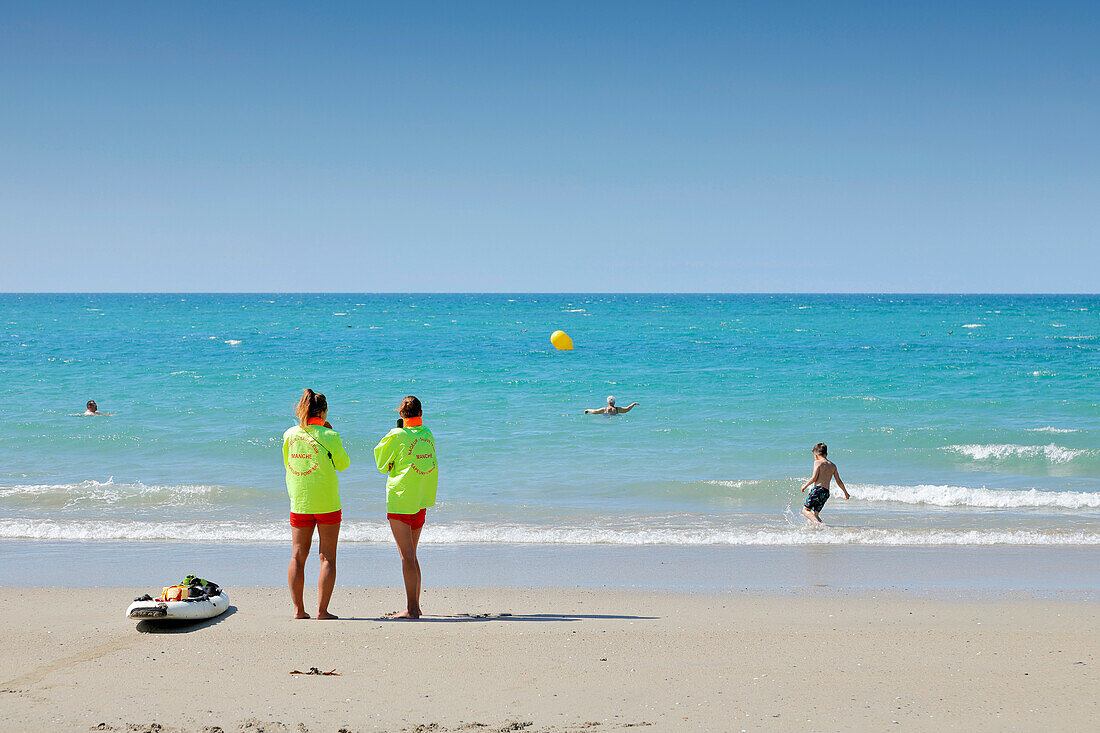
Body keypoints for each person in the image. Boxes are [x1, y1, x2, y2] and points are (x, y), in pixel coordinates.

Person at [282, 388, 350, 619]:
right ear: (324, 412)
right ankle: (322, 611)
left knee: (297, 556)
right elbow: (343, 464)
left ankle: (299, 610)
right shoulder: (331, 436)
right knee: (328, 557)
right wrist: (328, 434)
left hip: (300, 501)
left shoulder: (290, 434)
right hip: (327, 502)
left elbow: (288, 463)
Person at [374, 395, 438, 619]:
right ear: (420, 414)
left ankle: (411, 609)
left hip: (401, 501)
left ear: (401, 415)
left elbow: (381, 464)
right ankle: (415, 605)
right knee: (412, 555)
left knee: (407, 557)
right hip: (420, 501)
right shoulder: (427, 433)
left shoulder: (396, 435)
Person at [800, 442, 849, 523]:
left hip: (817, 490)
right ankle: (823, 528)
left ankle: (818, 525)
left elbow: (814, 478)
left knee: (805, 510)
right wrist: (845, 493)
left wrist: (804, 486)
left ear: (815, 455)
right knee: (815, 515)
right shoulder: (833, 465)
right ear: (826, 454)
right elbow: (839, 481)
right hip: (825, 493)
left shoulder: (817, 462)